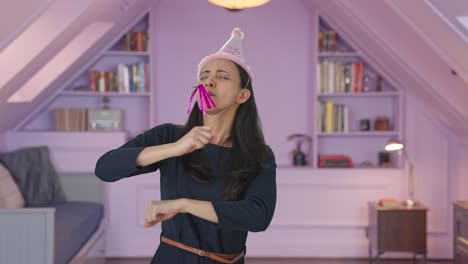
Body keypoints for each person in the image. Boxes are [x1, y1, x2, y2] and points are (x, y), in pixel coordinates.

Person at [95, 28, 277, 264]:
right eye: (204, 76)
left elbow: (258, 217)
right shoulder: (170, 135)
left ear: (242, 96)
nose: (209, 81)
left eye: (222, 77)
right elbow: (105, 168)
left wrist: (184, 205)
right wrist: (175, 148)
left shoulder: (259, 154)